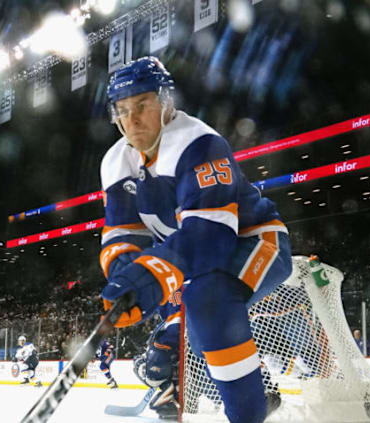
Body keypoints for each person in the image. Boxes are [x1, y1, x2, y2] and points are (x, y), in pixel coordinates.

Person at [98, 56, 292, 423]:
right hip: (189, 260)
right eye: (122, 110)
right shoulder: (114, 161)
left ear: (166, 102)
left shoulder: (198, 142)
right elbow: (121, 234)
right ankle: (257, 393)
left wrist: (148, 275)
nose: (131, 120)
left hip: (253, 241)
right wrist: (124, 276)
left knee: (208, 298)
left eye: (142, 105)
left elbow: (211, 237)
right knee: (200, 331)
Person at [133, 298, 182, 420]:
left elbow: (171, 320)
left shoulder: (162, 287)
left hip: (176, 329)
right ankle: (178, 396)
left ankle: (168, 398)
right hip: (197, 332)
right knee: (177, 365)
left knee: (145, 367)